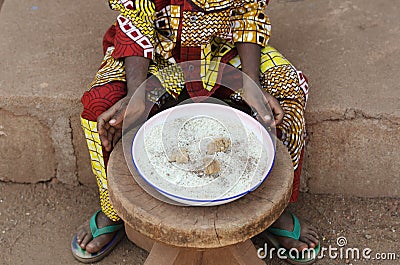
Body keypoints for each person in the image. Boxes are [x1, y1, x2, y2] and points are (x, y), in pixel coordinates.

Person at [71, 0, 320, 263]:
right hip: (157, 55)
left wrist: (251, 83)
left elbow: (248, 15)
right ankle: (114, 209)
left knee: (287, 91)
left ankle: (272, 208)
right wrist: (137, 93)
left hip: (222, 51)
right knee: (100, 104)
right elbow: (136, 21)